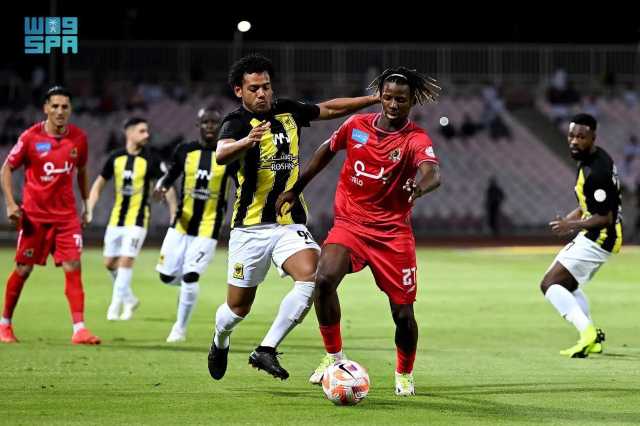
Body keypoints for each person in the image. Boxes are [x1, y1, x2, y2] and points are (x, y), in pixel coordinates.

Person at [207, 53, 379, 381]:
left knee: (314, 276)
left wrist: (371, 99)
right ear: (239, 91)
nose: (262, 94)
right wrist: (247, 141)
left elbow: (328, 108)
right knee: (237, 310)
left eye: (267, 87)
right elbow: (221, 153)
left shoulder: (287, 110)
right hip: (250, 229)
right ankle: (220, 339)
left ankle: (266, 349)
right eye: (254, 88)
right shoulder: (236, 122)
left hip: (289, 222)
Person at [277, 67, 441, 396]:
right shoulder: (356, 126)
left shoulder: (415, 139)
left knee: (403, 313)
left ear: (411, 102)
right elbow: (325, 151)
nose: (394, 105)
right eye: (389, 97)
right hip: (350, 225)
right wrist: (296, 188)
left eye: (402, 100)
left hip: (392, 235)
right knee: (323, 279)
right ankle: (334, 357)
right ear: (380, 96)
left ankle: (404, 372)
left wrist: (419, 188)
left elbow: (432, 172)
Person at [0, 86, 100, 344]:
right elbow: (6, 169)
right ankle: (5, 324)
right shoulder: (30, 137)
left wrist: (87, 203)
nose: (60, 111)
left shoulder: (79, 138)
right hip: (35, 217)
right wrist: (11, 204)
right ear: (46, 108)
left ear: (70, 110)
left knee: (73, 266)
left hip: (66, 218)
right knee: (23, 269)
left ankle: (79, 329)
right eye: (54, 106)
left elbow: (82, 171)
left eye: (64, 106)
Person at [540, 113, 622, 358]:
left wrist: (571, 226)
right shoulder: (594, 159)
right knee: (569, 284)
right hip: (600, 235)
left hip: (599, 237)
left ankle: (587, 333)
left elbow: (604, 216)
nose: (574, 141)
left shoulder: (595, 172)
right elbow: (589, 205)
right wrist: (569, 220)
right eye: (571, 135)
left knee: (550, 284)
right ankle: (593, 339)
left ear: (593, 137)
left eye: (581, 137)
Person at [154, 107, 234, 342]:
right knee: (167, 277)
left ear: (220, 127)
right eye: (205, 122)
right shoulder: (185, 151)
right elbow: (171, 174)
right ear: (198, 125)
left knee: (190, 276)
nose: (210, 126)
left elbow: (241, 182)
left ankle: (179, 328)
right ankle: (190, 288)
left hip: (208, 227)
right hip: (181, 224)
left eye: (214, 122)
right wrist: (162, 186)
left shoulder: (228, 154)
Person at [87, 117, 166, 321]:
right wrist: (89, 207)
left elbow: (165, 182)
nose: (147, 135)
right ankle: (130, 299)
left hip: (139, 219)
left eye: (147, 131)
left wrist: (164, 195)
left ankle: (115, 307)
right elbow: (98, 184)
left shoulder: (151, 159)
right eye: (142, 131)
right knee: (109, 263)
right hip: (116, 219)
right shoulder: (115, 158)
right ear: (129, 133)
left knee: (125, 260)